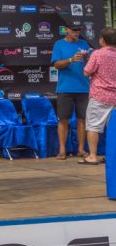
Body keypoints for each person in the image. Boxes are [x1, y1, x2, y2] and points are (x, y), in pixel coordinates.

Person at [51, 21, 91, 160]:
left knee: (82, 119)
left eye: (78, 30)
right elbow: (56, 65)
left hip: (84, 88)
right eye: (74, 30)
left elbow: (91, 64)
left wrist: (87, 58)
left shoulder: (84, 44)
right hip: (65, 89)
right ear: (66, 30)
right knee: (63, 120)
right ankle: (62, 150)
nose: (76, 32)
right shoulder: (59, 44)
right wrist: (70, 59)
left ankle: (81, 149)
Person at [81, 27, 116, 165]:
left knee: (93, 127)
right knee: (113, 127)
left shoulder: (98, 54)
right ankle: (112, 156)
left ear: (103, 40)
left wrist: (86, 59)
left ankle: (93, 156)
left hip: (100, 96)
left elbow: (86, 72)